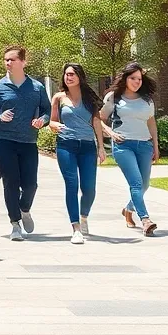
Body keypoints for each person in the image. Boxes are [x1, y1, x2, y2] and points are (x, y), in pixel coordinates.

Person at [0, 45, 50, 241]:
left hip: (28, 141)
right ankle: (15, 224)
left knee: (30, 185)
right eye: (6, 60)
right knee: (11, 183)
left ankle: (24, 209)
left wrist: (42, 121)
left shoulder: (37, 88)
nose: (8, 63)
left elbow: (47, 111)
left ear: (23, 62)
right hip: (4, 141)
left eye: (12, 59)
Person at [100, 62, 161, 236]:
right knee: (136, 183)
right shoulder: (114, 97)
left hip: (144, 145)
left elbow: (151, 122)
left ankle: (128, 209)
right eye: (133, 78)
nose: (137, 82)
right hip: (123, 145)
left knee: (145, 184)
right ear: (125, 78)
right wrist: (110, 132)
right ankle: (145, 219)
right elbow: (100, 118)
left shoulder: (147, 100)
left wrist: (155, 146)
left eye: (139, 79)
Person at [48, 63, 105, 244]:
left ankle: (84, 216)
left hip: (88, 146)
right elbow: (52, 122)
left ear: (80, 76)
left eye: (72, 74)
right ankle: (76, 229)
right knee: (72, 185)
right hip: (66, 145)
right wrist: (54, 125)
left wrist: (101, 147)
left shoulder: (90, 98)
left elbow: (96, 122)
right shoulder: (58, 98)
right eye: (66, 74)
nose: (68, 77)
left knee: (89, 189)